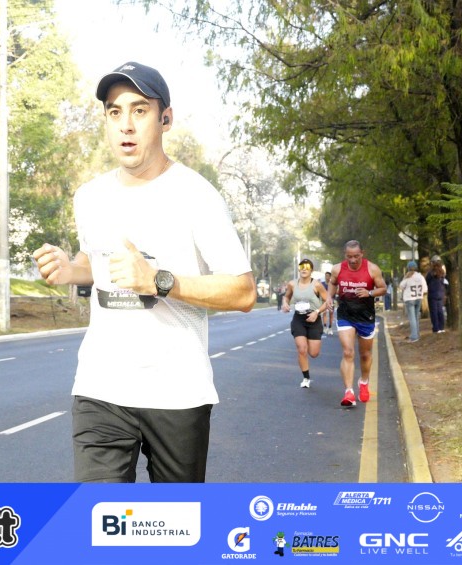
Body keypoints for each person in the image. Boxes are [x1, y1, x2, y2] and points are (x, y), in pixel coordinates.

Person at [33, 61, 256, 483]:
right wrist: (70, 269)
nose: (126, 125)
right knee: (98, 517)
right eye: (115, 112)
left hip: (177, 392)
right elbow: (96, 261)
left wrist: (158, 281)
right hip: (100, 388)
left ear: (165, 119)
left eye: (140, 110)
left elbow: (243, 292)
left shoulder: (197, 196)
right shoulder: (90, 197)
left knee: (174, 522)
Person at [326, 240, 388, 407]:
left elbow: (383, 288)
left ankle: (364, 381)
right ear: (345, 255)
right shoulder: (337, 269)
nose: (352, 260)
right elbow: (332, 283)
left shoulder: (372, 269)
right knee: (348, 352)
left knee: (365, 354)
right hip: (345, 314)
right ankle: (349, 392)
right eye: (349, 256)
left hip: (365, 315)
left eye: (356, 256)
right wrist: (329, 297)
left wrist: (369, 292)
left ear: (362, 254)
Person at [281, 259, 330, 388]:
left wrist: (317, 312)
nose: (304, 269)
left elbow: (328, 301)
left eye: (307, 267)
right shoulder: (292, 284)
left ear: (311, 270)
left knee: (313, 353)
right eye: (302, 266)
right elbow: (287, 296)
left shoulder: (317, 285)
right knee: (302, 349)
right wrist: (285, 303)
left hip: (314, 319)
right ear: (299, 269)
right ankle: (306, 378)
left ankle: (309, 340)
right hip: (299, 319)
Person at [399, 260, 427, 342]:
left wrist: (405, 278)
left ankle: (414, 336)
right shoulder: (421, 277)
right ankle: (417, 334)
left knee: (412, 318)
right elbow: (425, 289)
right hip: (418, 298)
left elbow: (401, 286)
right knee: (416, 317)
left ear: (408, 268)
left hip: (409, 299)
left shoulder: (407, 277)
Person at [425, 255, 447, 333]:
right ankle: (442, 327)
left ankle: (436, 328)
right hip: (440, 294)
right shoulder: (442, 273)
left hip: (432, 295)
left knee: (434, 312)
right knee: (440, 311)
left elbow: (426, 281)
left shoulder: (430, 273)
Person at [321, 271, 335, 335]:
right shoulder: (322, 284)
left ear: (330, 277)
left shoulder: (332, 284)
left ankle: (330, 328)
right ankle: (324, 327)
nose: (327, 277)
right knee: (324, 313)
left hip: (331, 300)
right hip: (324, 301)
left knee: (331, 314)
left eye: (328, 276)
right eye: (326, 276)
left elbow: (335, 291)